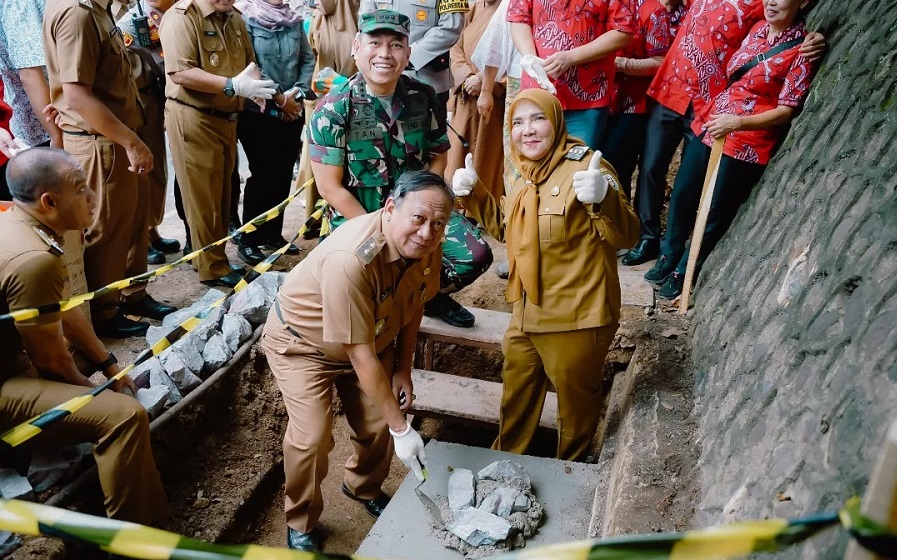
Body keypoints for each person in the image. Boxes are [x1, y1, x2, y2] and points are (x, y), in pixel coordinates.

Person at [263, 170, 446, 551]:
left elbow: (415, 304)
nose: (427, 232)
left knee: (383, 414)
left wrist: (403, 369)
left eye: (438, 222)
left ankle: (362, 486)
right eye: (419, 218)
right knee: (312, 437)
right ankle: (300, 521)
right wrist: (403, 431)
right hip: (304, 347)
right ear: (391, 207)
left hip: (372, 336)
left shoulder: (427, 243)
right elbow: (359, 356)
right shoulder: (351, 259)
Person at [452, 89, 640, 461]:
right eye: (518, 122)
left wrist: (604, 199)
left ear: (555, 122)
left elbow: (627, 235)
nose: (528, 131)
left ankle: (571, 468)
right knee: (516, 393)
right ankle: (505, 463)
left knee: (575, 404)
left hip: (576, 314)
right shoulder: (523, 173)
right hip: (526, 311)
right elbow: (510, 230)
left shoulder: (588, 168)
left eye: (537, 118)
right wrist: (475, 194)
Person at [0, 147, 170, 526]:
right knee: (124, 417)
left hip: (12, 359)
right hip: (5, 379)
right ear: (49, 201)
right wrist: (93, 395)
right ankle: (137, 540)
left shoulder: (17, 223)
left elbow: (61, 310)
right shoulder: (34, 260)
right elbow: (52, 362)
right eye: (80, 189)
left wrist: (109, 366)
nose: (92, 197)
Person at [309, 10, 492, 329]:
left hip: (416, 207)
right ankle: (385, 302)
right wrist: (381, 232)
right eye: (374, 42)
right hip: (359, 215)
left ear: (408, 52)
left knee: (474, 256)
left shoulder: (423, 97)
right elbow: (330, 188)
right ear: (356, 47)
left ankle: (427, 294)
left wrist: (426, 211)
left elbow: (438, 154)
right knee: (352, 272)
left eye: (395, 45)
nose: (384, 53)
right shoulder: (334, 108)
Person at [622, 0, 825, 266]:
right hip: (673, 87)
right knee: (650, 166)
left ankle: (678, 251)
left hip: (711, 100)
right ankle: (649, 238)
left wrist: (816, 37)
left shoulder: (757, 4)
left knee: (693, 179)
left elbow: (784, 25)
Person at [44, 0, 176, 338]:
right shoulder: (78, 12)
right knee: (107, 230)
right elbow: (76, 95)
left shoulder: (97, 8)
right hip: (102, 141)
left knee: (133, 223)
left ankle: (131, 294)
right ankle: (104, 312)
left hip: (116, 133)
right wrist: (131, 143)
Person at [159, 0, 281, 288]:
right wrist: (232, 85)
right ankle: (211, 267)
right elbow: (180, 73)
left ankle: (212, 257)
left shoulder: (234, 18)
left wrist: (260, 91)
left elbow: (250, 66)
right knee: (204, 198)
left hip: (227, 118)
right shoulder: (181, 18)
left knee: (223, 194)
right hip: (194, 116)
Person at [233, 0, 315, 265]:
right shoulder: (245, 20)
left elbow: (307, 58)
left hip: (292, 108)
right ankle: (249, 239)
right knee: (263, 173)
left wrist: (297, 93)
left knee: (282, 173)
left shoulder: (293, 20)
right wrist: (280, 99)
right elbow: (251, 65)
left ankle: (273, 234)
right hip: (258, 110)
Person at [507, 0, 635, 149]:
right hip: (537, 92)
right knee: (535, 165)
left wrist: (571, 58)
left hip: (588, 96)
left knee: (577, 164)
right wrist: (530, 58)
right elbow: (518, 17)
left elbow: (624, 31)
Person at [119, 0, 183, 265]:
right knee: (138, 173)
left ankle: (152, 230)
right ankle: (140, 239)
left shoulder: (169, 14)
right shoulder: (131, 22)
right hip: (134, 101)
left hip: (153, 97)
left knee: (156, 170)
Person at [600, 0, 681, 200]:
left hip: (633, 106)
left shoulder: (652, 11)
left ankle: (623, 225)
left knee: (616, 167)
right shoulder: (599, 6)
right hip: (597, 101)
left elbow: (661, 63)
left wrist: (622, 64)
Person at [359, 0, 467, 123]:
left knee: (426, 138)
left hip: (428, 83)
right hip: (378, 79)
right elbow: (364, 24)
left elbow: (451, 27)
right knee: (377, 137)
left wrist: (407, 57)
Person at [443, 0, 505, 204]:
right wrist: (468, 76)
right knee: (456, 155)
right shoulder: (471, 9)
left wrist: (485, 80)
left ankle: (484, 210)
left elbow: (514, 53)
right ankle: (456, 205)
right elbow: (454, 47)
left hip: (495, 102)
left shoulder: (511, 8)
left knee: (489, 157)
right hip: (465, 97)